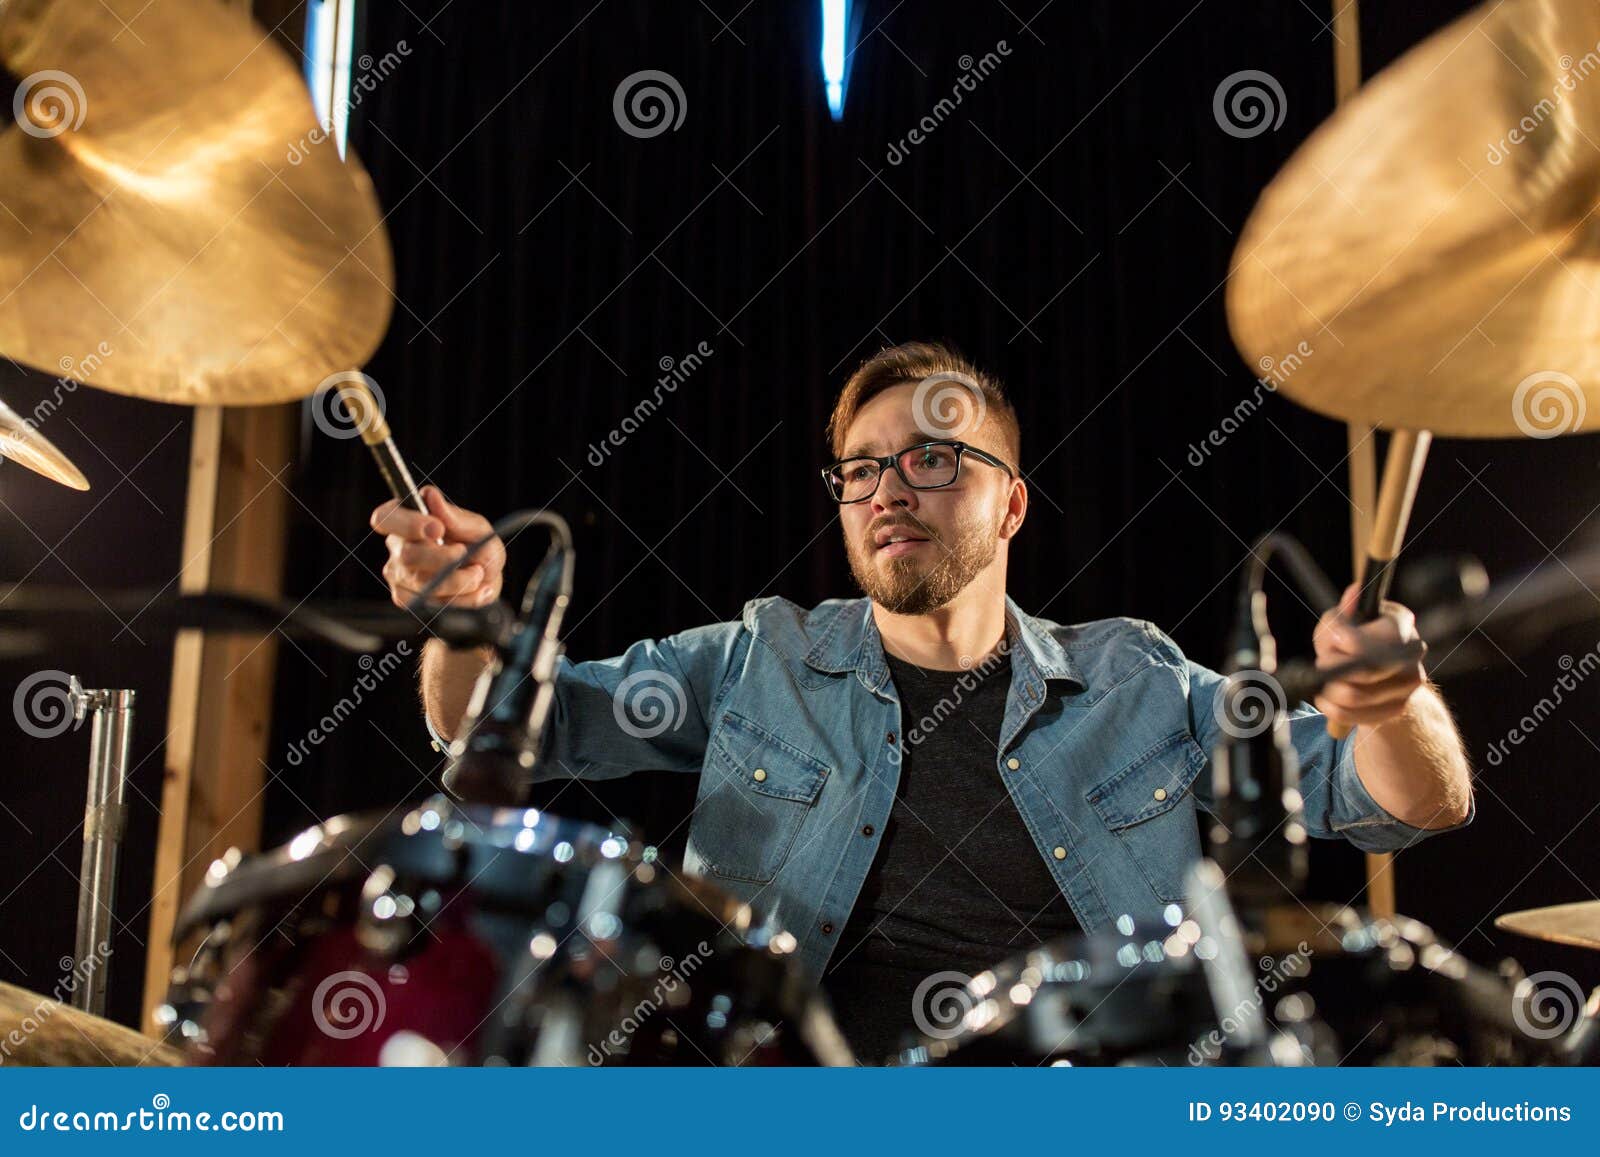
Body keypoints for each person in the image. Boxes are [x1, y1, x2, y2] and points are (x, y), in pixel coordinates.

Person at [370, 340, 1473, 1063]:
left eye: (937, 459)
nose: (890, 486)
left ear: (1012, 506)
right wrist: (468, 621)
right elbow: (504, 727)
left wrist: (1391, 697)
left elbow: (1403, 801)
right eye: (862, 468)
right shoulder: (759, 657)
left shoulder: (1138, 681)